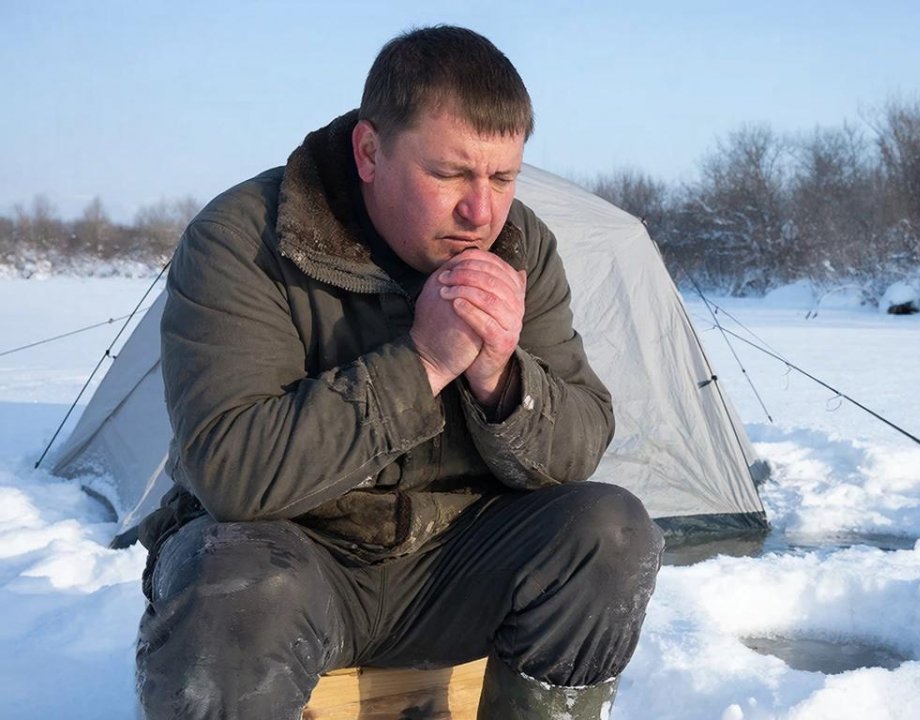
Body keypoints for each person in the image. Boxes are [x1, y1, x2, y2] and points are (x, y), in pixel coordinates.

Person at [134, 25, 664, 720]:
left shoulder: (520, 243)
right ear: (368, 152)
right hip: (295, 562)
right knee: (234, 583)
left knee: (611, 531)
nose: (481, 210)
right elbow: (231, 470)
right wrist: (426, 363)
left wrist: (503, 381)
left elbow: (581, 441)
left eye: (503, 178)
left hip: (452, 566)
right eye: (449, 174)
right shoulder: (244, 239)